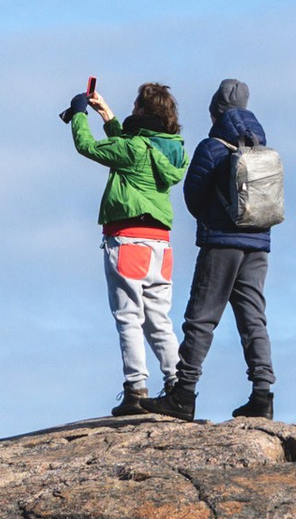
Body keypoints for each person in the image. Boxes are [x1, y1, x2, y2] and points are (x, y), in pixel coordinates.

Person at [60, 76, 187, 422]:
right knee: (159, 319)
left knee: (128, 317)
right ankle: (178, 386)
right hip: (161, 244)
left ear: (143, 111)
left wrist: (78, 115)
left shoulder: (134, 149)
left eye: (135, 107)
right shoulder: (172, 149)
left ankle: (135, 389)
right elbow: (132, 151)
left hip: (128, 240)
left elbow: (90, 148)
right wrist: (108, 116)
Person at [163, 76, 276, 420]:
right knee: (253, 319)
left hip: (221, 244)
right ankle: (262, 395)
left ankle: (183, 393)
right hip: (258, 242)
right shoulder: (262, 147)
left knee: (201, 317)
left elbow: (193, 197)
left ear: (216, 112)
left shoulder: (212, 146)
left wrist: (215, 220)